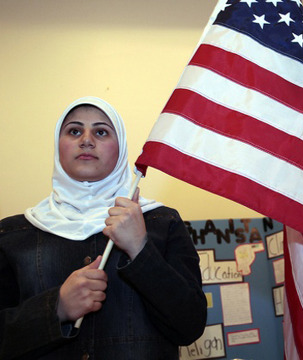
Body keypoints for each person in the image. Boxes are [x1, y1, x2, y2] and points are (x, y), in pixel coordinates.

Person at [0, 96, 207, 359]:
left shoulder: (162, 223)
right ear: (57, 145)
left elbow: (190, 326)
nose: (86, 140)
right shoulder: (13, 234)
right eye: (74, 131)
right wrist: (57, 307)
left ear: (120, 148)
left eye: (101, 132)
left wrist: (140, 249)